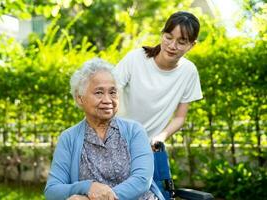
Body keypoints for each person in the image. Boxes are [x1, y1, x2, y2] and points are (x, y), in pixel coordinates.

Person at [44, 58, 165, 200]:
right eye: (99, 93)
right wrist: (87, 187)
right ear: (79, 98)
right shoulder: (68, 138)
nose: (108, 100)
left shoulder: (134, 131)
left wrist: (98, 198)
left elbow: (142, 180)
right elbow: (52, 190)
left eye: (113, 92)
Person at [113, 11, 202, 143]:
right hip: (117, 138)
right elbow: (109, 94)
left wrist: (161, 137)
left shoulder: (189, 72)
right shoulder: (136, 58)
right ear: (162, 34)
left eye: (181, 42)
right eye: (168, 37)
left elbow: (180, 118)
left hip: (151, 144)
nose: (172, 46)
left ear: (191, 45)